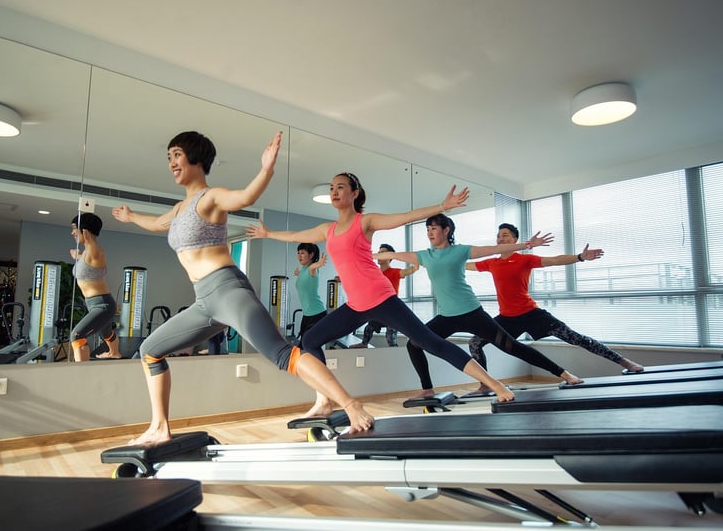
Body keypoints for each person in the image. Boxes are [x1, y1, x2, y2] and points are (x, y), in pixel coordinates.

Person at [112, 131, 373, 444]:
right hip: (203, 301)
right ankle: (159, 427)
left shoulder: (211, 197)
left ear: (196, 158)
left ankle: (351, 405)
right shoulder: (179, 210)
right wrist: (130, 217)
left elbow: (246, 197)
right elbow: (156, 224)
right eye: (169, 157)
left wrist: (266, 170)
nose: (172, 163)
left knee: (281, 354)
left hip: (227, 290)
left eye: (177, 155)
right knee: (150, 352)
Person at [246, 172, 514, 418]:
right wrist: (268, 233)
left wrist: (442, 206)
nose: (334, 192)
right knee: (310, 339)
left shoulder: (366, 221)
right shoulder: (327, 229)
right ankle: (324, 400)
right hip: (355, 305)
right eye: (331, 188)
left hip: (382, 298)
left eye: (341, 187)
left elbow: (406, 216)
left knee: (431, 343)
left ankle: (495, 384)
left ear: (354, 194)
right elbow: (295, 236)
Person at [378, 214, 583, 398]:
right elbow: (388, 256)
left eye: (434, 228)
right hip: (446, 317)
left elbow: (494, 249)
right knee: (414, 344)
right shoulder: (424, 256)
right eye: (428, 229)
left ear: (446, 230)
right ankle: (427, 389)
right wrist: (358, 256)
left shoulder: (460, 251)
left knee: (511, 347)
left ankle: (563, 373)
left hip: (471, 313)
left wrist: (526, 245)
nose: (430, 233)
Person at [465, 222, 644, 373]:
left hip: (531, 314)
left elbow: (555, 260)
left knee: (576, 338)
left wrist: (580, 257)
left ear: (514, 240)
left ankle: (624, 361)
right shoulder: (491, 263)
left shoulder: (523, 260)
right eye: (498, 236)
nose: (500, 239)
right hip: (507, 318)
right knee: (474, 343)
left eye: (504, 235)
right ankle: (486, 384)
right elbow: (466, 266)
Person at [69, 212, 123, 361]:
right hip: (96, 304)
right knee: (105, 332)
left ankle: (82, 371)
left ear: (84, 231)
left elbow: (93, 254)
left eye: (75, 228)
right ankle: (114, 353)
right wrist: (78, 257)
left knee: (77, 335)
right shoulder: (88, 252)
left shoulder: (94, 250)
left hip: (102, 304)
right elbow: (87, 263)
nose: (72, 232)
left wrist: (80, 254)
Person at [350, 243, 416, 348]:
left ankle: (394, 351)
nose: (379, 254)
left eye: (383, 253)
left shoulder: (393, 272)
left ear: (390, 257)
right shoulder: (374, 273)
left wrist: (416, 265)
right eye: (379, 252)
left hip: (392, 311)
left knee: (390, 338)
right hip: (378, 310)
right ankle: (364, 344)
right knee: (369, 328)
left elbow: (405, 272)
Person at [293, 242, 328, 347]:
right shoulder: (303, 270)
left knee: (306, 345)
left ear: (311, 255)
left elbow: (314, 266)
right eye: (298, 253)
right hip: (307, 315)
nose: (299, 256)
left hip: (317, 314)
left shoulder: (312, 268)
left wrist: (320, 263)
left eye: (303, 253)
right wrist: (299, 274)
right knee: (303, 344)